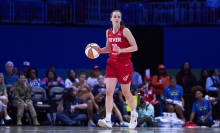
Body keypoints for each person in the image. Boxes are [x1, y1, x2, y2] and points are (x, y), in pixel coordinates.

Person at [98, 10, 138, 129]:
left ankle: (134, 114)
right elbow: (109, 48)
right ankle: (108, 119)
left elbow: (135, 47)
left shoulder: (125, 31)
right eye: (114, 17)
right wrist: (98, 51)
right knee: (109, 91)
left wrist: (121, 50)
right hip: (111, 62)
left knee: (126, 92)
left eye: (118, 17)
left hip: (124, 63)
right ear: (111, 19)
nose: (116, 18)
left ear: (120, 19)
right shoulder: (108, 32)